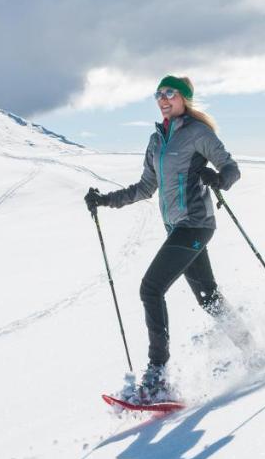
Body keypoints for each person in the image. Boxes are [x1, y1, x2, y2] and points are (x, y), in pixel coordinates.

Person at [85, 75, 246, 403]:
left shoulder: (198, 133)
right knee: (208, 296)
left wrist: (219, 179)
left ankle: (157, 376)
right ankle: (252, 347)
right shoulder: (157, 140)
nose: (163, 98)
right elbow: (145, 187)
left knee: (150, 288)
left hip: (196, 225)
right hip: (177, 229)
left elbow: (231, 168)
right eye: (158, 94)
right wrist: (105, 200)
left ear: (184, 98)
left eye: (170, 93)